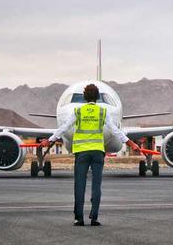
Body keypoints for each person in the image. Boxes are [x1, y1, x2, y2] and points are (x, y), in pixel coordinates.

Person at [40, 84, 140, 226]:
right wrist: (131, 143)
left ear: (85, 97)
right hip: (98, 152)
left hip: (82, 152)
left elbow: (64, 127)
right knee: (96, 185)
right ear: (98, 97)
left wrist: (49, 140)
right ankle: (94, 217)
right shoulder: (102, 112)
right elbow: (116, 131)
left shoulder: (78, 111)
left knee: (79, 185)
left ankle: (79, 218)